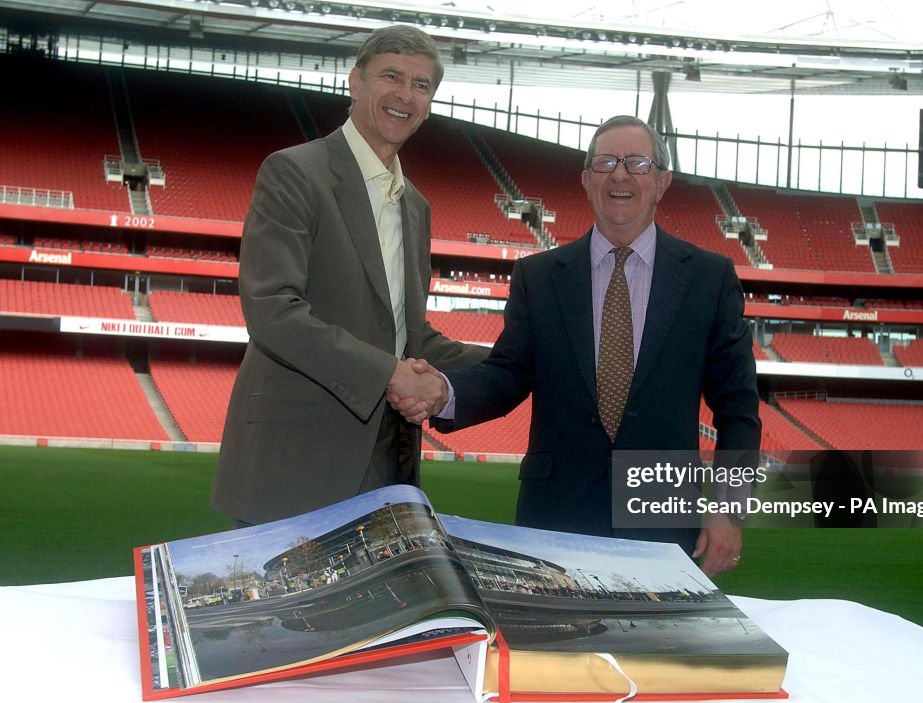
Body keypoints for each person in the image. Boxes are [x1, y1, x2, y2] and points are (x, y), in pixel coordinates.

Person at [393, 115, 760, 576]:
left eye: (637, 163)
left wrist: (729, 507)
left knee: (652, 647)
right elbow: (507, 373)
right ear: (586, 180)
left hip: (661, 515)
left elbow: (738, 407)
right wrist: (446, 393)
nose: (620, 175)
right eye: (605, 163)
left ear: (662, 181)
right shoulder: (540, 276)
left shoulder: (709, 277)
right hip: (554, 514)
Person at [212, 25, 486, 526]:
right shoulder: (295, 172)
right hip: (297, 461)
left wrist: (522, 358)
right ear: (355, 82)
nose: (406, 95)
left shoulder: (417, 206)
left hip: (390, 461)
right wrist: (389, 372)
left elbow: (410, 337)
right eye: (391, 76)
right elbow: (273, 310)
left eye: (421, 85)